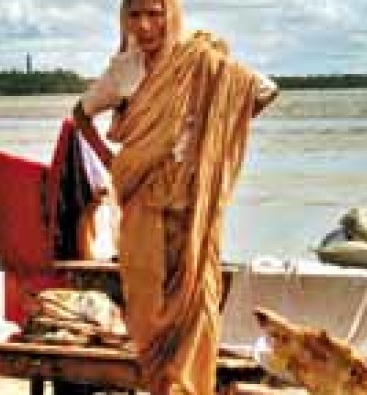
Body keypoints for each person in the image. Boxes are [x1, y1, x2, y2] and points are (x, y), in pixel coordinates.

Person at [71, 0, 278, 393]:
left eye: (155, 14)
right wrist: (113, 160)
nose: (146, 26)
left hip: (194, 202)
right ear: (124, 19)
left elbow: (263, 91)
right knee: (146, 306)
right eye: (135, 16)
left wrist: (215, 131)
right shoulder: (124, 70)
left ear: (172, 15)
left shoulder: (200, 60)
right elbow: (81, 114)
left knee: (196, 301)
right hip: (142, 198)